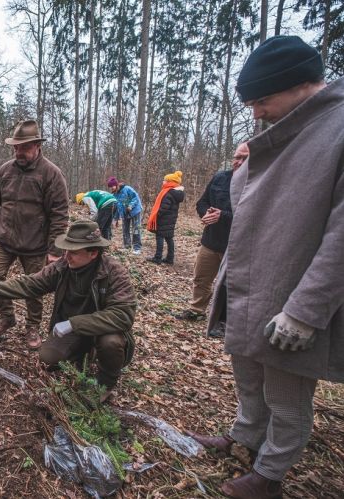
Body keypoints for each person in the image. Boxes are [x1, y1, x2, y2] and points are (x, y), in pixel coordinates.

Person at [187, 36, 344, 499]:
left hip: (291, 294)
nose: (256, 112)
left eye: (262, 100)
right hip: (250, 286)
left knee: (287, 393)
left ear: (299, 85)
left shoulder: (336, 129)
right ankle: (245, 436)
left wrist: (305, 311)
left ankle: (270, 474)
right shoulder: (287, 130)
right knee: (249, 377)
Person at [0, 220, 136, 399]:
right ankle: (84, 353)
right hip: (72, 330)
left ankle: (105, 385)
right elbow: (30, 284)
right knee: (48, 359)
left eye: (73, 252)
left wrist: (74, 324)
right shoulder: (62, 267)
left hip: (99, 330)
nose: (66, 256)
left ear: (93, 253)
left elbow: (123, 315)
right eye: (65, 250)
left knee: (111, 342)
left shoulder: (114, 273)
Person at [0, 119, 69, 349]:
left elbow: (59, 215)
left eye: (24, 147)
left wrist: (55, 250)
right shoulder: (5, 170)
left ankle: (33, 326)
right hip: (4, 238)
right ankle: (7, 317)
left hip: (35, 243)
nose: (19, 152)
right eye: (16, 147)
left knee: (34, 287)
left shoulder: (51, 174)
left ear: (37, 145)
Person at [174, 142, 248, 336]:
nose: (239, 162)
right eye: (237, 157)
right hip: (210, 241)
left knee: (228, 285)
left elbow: (254, 217)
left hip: (236, 245)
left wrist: (222, 215)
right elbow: (202, 202)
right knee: (201, 278)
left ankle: (223, 322)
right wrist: (205, 213)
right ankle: (196, 310)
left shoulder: (256, 184)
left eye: (245, 158)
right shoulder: (220, 178)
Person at [146, 170, 185, 265]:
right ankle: (170, 259)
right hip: (171, 220)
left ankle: (157, 258)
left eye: (165, 180)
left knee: (160, 237)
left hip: (163, 220)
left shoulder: (168, 193)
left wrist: (156, 215)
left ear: (170, 182)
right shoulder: (176, 192)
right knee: (169, 238)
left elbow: (164, 208)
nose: (163, 182)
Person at [108, 177, 143, 254]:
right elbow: (117, 207)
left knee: (136, 229)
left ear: (116, 185)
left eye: (112, 187)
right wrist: (115, 219)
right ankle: (127, 246)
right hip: (124, 213)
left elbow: (136, 197)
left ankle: (137, 248)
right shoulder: (114, 195)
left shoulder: (127, 189)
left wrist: (131, 205)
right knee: (125, 229)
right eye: (110, 187)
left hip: (135, 211)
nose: (111, 189)